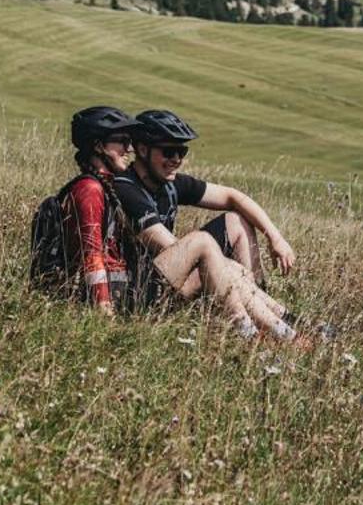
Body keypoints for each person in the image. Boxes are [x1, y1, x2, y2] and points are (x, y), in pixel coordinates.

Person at [110, 108, 303, 341]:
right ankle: (259, 333)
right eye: (169, 151)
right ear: (142, 150)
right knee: (203, 244)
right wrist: (226, 268)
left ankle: (277, 322)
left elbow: (233, 197)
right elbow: (169, 247)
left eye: (182, 151)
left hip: (170, 281)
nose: (177, 160)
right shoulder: (126, 189)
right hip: (141, 295)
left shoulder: (169, 184)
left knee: (236, 221)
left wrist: (276, 238)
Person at [49, 105, 144, 314]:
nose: (129, 149)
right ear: (99, 146)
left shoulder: (104, 187)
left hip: (120, 292)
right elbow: (91, 255)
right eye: (122, 141)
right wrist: (104, 309)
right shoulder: (89, 189)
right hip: (100, 300)